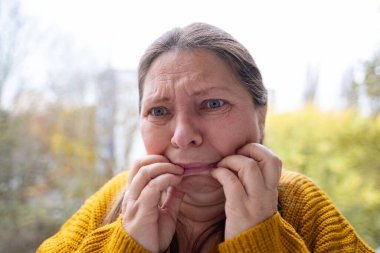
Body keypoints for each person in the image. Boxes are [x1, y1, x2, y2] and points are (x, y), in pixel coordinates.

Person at [37, 23, 375, 253]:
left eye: (213, 104)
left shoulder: (301, 204)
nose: (184, 137)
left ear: (261, 114)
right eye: (159, 111)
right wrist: (127, 244)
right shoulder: (113, 201)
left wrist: (261, 239)